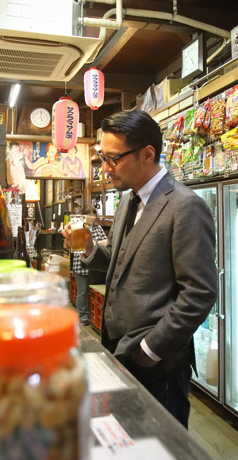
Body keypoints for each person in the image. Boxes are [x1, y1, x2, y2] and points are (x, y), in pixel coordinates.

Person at [63, 110, 217, 427]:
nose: (105, 169)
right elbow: (121, 264)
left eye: (113, 159)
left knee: (162, 446)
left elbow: (200, 293)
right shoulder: (127, 201)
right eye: (102, 158)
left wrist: (149, 351)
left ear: (147, 154)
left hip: (156, 362)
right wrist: (91, 250)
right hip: (118, 349)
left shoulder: (184, 206)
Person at [70, 206, 106, 326]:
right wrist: (96, 244)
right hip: (80, 264)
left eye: (93, 215)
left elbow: (106, 242)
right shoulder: (79, 226)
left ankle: (91, 315)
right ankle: (83, 315)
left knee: (92, 290)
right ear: (83, 216)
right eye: (89, 214)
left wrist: (92, 243)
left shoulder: (98, 227)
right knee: (82, 291)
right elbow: (78, 246)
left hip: (94, 265)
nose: (92, 217)